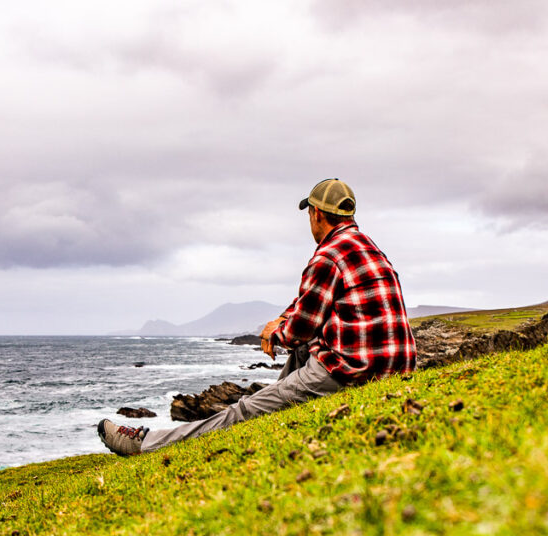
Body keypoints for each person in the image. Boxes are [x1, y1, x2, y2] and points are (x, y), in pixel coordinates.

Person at [98, 178, 416, 456]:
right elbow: (308, 304)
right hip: (394, 370)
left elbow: (300, 329)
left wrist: (273, 334)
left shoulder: (327, 256)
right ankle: (274, 411)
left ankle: (146, 442)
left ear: (316, 213)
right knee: (301, 357)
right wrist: (280, 320)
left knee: (245, 406)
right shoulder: (366, 246)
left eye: (309, 214)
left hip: (353, 373)